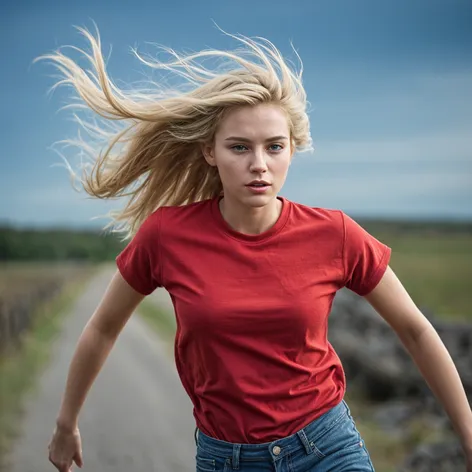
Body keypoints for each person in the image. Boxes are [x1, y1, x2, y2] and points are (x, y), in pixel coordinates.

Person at [39, 25, 472, 472]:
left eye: (274, 147)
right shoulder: (166, 236)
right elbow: (103, 329)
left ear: (291, 151)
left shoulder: (336, 233)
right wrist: (65, 422)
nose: (259, 165)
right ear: (210, 151)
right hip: (227, 459)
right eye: (240, 147)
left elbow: (416, 330)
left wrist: (468, 433)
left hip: (327, 448)